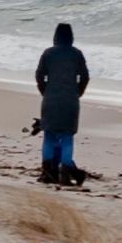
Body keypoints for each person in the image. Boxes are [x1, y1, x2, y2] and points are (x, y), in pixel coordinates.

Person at [32, 21, 91, 185]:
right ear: (71, 37)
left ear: (55, 37)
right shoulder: (77, 54)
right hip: (70, 99)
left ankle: (47, 173)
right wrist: (77, 93)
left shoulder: (48, 53)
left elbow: (39, 76)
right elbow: (85, 77)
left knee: (49, 136)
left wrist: (46, 92)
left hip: (50, 99)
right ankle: (65, 173)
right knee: (67, 137)